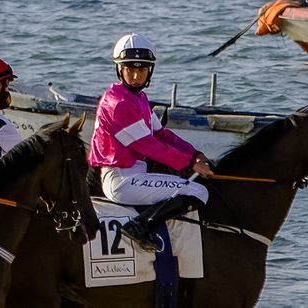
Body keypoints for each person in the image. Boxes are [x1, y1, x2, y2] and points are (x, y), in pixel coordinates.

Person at [88, 34, 214, 252]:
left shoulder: (139, 98)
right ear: (120, 69)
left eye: (142, 70)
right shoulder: (118, 104)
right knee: (199, 193)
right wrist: (189, 164)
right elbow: (150, 146)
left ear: (150, 71)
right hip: (123, 181)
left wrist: (195, 154)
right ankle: (140, 226)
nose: (136, 76)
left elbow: (162, 135)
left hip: (135, 176)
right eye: (130, 69)